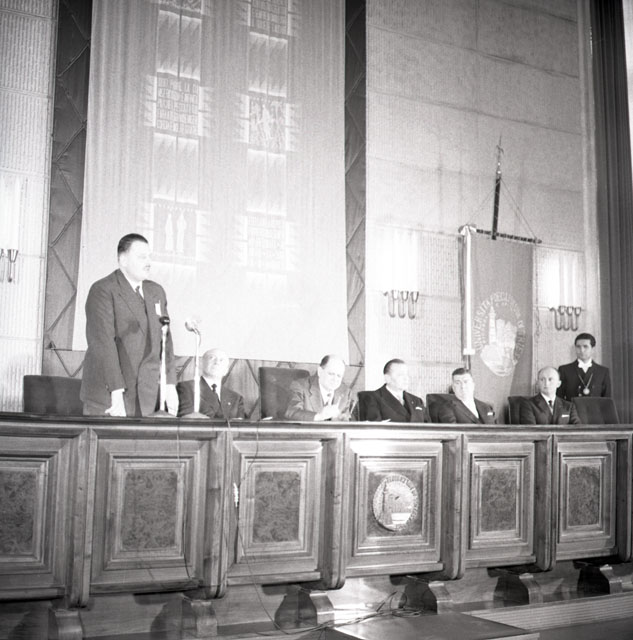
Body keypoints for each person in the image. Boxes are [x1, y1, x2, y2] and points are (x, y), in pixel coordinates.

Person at [80, 233, 178, 417]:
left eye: (149, 256)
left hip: (146, 397)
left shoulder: (156, 292)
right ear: (123, 260)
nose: (148, 262)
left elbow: (166, 341)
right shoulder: (103, 290)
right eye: (142, 257)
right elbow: (103, 344)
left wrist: (170, 384)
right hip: (110, 395)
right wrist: (116, 391)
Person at [177, 348, 245, 419]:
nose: (217, 362)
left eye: (221, 360)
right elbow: (186, 418)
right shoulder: (186, 388)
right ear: (201, 365)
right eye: (212, 358)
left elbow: (240, 424)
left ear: (226, 370)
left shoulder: (236, 398)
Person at [284, 354, 353, 421]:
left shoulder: (345, 392)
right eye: (331, 374)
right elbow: (292, 412)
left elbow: (346, 420)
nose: (335, 379)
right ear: (320, 371)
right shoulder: (300, 386)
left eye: (339, 376)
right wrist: (320, 416)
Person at [357, 359, 426, 422]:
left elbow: (428, 426)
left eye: (407, 374)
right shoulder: (372, 398)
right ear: (387, 378)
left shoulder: (417, 401)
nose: (406, 378)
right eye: (400, 375)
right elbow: (374, 428)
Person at [557, 332, 611, 401]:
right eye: (578, 347)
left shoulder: (603, 371)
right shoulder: (564, 370)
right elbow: (559, 399)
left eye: (585, 347)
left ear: (593, 349)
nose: (581, 350)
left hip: (594, 408)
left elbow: (606, 401)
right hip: (572, 408)